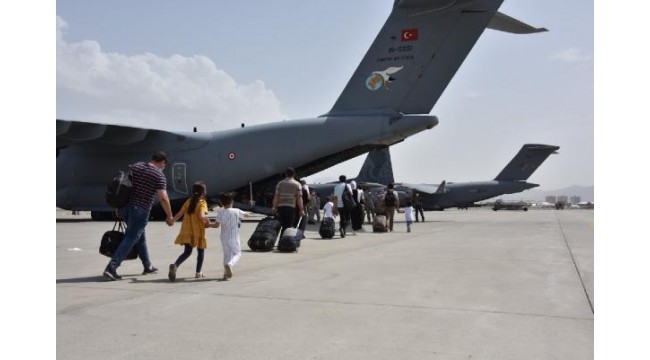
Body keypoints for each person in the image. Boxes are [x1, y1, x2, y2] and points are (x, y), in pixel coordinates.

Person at [103, 151, 174, 281]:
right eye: (164, 165)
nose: (164, 167)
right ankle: (111, 268)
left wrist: (117, 205)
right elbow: (163, 198)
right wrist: (170, 216)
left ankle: (147, 265)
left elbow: (122, 184)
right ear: (162, 162)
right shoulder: (158, 175)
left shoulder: (136, 166)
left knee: (140, 237)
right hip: (140, 209)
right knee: (131, 237)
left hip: (125, 207)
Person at [168, 182, 210, 281]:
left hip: (187, 230)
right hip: (198, 231)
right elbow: (201, 216)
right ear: (203, 193)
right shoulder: (202, 203)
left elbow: (179, 213)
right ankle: (198, 272)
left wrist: (172, 220)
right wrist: (208, 220)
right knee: (201, 251)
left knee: (187, 252)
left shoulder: (189, 201)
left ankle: (175, 265)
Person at [210, 193, 251, 279]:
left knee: (226, 254)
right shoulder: (236, 210)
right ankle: (230, 264)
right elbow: (246, 215)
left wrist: (208, 224)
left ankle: (226, 274)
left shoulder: (220, 212)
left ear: (221, 203)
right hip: (234, 236)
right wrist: (247, 213)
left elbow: (216, 225)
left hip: (224, 236)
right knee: (238, 253)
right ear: (232, 202)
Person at [271, 167, 305, 239]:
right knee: (288, 226)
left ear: (286, 174)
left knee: (281, 225)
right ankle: (284, 242)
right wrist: (301, 210)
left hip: (281, 207)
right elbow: (299, 198)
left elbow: (276, 197)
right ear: (294, 174)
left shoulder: (280, 184)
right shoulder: (297, 184)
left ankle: (278, 240)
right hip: (290, 207)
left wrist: (274, 207)